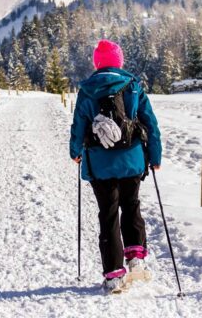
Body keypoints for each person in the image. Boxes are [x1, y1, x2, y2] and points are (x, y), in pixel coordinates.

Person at [69, 39, 162, 294]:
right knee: (131, 206)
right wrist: (155, 157)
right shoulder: (132, 86)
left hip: (100, 165)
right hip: (132, 160)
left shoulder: (87, 90)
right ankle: (136, 259)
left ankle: (113, 276)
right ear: (119, 62)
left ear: (97, 63)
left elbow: (78, 126)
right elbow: (150, 124)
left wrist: (75, 152)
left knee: (108, 214)